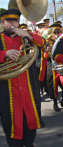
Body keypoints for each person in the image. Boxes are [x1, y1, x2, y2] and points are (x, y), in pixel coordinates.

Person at [0, 9, 45, 147]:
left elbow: (42, 43)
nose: (13, 24)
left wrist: (29, 34)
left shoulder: (26, 38)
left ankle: (29, 143)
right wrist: (4, 53)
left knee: (30, 119)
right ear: (2, 23)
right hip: (7, 90)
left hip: (28, 87)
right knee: (10, 121)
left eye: (16, 21)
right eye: (9, 21)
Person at [46, 23, 63, 112]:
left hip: (62, 65)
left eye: (58, 30)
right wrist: (48, 51)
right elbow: (45, 56)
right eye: (55, 31)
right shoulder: (48, 40)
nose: (56, 32)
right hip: (52, 66)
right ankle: (55, 103)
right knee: (53, 86)